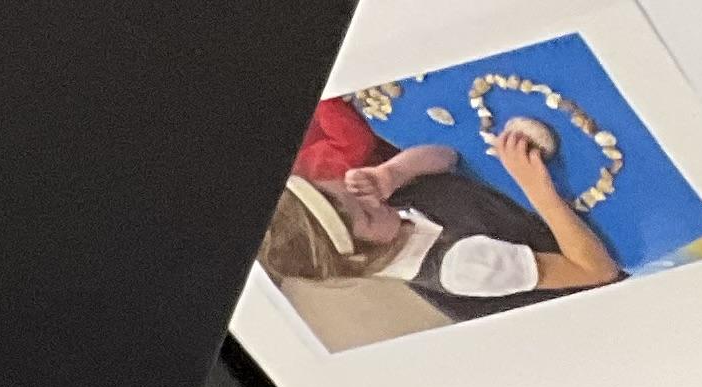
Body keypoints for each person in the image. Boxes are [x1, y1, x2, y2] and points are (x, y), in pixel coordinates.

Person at [258, 114, 623, 322]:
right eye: (365, 213)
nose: (368, 198)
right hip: (610, 266)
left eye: (345, 189)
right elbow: (596, 272)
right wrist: (536, 187)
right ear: (361, 257)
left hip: (554, 215)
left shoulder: (381, 213)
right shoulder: (462, 266)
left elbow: (447, 157)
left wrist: (394, 172)